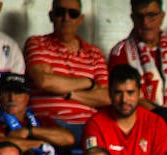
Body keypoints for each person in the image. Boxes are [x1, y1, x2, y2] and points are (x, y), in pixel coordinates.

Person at [22, 0, 109, 136]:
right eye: (60, 12)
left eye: (73, 13)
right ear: (51, 16)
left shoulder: (95, 53)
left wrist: (69, 93)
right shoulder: (37, 43)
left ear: (80, 19)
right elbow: (44, 81)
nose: (66, 18)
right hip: (49, 125)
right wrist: (89, 83)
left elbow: (106, 97)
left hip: (87, 125)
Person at [107, 0, 167, 125]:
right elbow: (126, 97)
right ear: (132, 18)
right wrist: (165, 116)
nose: (146, 22)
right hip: (140, 122)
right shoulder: (120, 51)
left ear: (162, 17)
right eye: (140, 17)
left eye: (151, 15)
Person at [83, 64, 167, 155]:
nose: (124, 100)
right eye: (118, 93)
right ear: (110, 94)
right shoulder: (96, 124)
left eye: (130, 93)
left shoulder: (156, 123)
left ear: (140, 93)